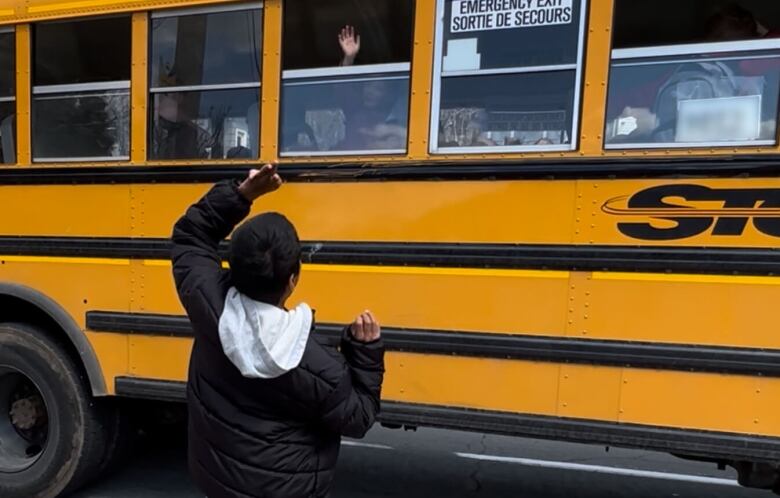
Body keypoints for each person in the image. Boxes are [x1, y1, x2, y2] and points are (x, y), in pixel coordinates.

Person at [171, 164, 385, 498]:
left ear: (232, 265)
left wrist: (242, 194)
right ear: (293, 279)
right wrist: (365, 352)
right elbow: (358, 417)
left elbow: (191, 235)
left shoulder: (207, 305)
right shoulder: (317, 365)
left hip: (218, 481)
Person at [336, 25, 407, 150]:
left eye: (377, 89)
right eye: (367, 86)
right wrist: (349, 58)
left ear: (387, 94)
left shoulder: (399, 121)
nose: (369, 92)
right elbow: (342, 88)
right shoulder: (356, 113)